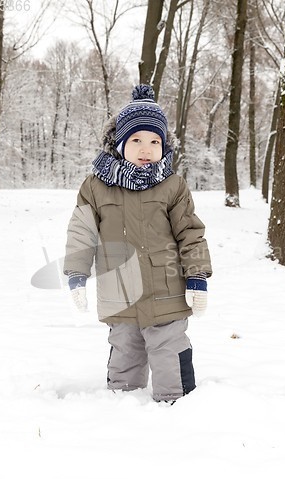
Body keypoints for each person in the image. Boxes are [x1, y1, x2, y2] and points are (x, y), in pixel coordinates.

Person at [63, 84, 212, 404]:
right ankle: (121, 408)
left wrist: (197, 277)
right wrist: (77, 272)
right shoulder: (95, 186)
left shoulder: (173, 186)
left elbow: (190, 232)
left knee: (168, 347)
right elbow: (81, 230)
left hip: (167, 288)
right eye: (137, 140)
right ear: (119, 143)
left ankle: (178, 406)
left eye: (155, 141)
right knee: (124, 351)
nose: (147, 148)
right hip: (119, 292)